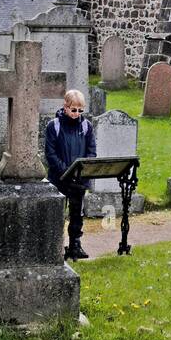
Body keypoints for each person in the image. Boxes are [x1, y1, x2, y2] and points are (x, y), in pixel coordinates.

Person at [45, 89, 96, 261]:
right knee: (58, 213)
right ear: (65, 107)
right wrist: (66, 171)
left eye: (80, 110)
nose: (77, 114)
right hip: (59, 177)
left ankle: (75, 244)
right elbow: (51, 154)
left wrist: (81, 171)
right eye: (73, 110)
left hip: (79, 178)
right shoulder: (54, 126)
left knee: (77, 213)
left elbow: (91, 151)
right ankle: (54, 246)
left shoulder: (86, 126)